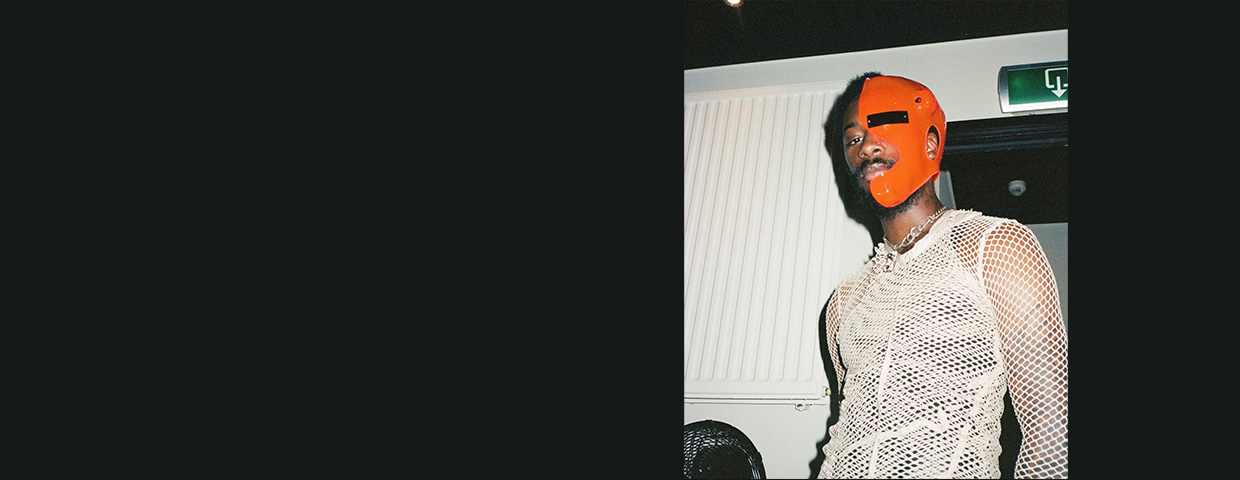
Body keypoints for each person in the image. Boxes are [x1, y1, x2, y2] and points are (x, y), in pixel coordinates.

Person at [816, 73, 1067, 479]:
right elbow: (851, 425)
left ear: (931, 142)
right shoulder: (844, 302)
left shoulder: (996, 247)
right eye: (853, 139)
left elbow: (1053, 434)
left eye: (884, 123)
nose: (866, 147)